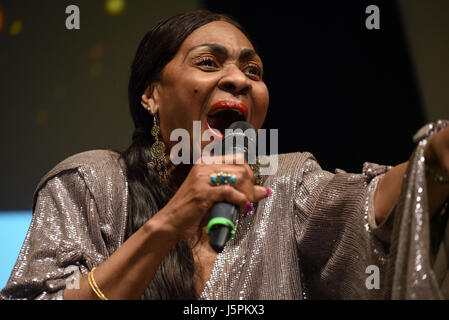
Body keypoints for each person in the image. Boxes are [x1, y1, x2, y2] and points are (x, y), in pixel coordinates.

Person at [1, 10, 449, 300]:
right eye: (209, 63)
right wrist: (171, 221)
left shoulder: (284, 182)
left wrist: (435, 159)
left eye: (252, 70)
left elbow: (372, 211)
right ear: (151, 95)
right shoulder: (91, 182)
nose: (239, 80)